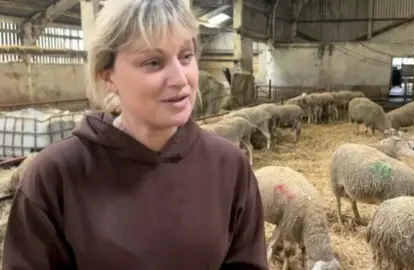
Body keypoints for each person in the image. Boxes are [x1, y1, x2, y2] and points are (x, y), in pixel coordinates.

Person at [2, 0, 268, 269]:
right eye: (154, 62)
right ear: (109, 77)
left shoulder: (229, 167)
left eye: (186, 56)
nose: (180, 78)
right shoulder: (56, 175)